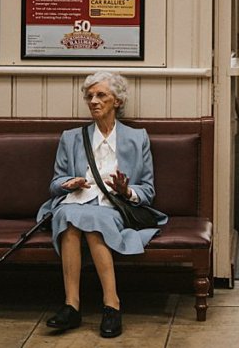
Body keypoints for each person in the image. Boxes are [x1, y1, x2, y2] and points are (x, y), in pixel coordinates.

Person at [36, 72, 166, 339]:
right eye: (90, 96)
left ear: (117, 100)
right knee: (69, 217)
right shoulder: (71, 138)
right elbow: (54, 184)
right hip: (75, 201)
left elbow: (148, 191)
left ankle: (112, 304)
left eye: (101, 95)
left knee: (94, 222)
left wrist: (125, 190)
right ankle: (72, 306)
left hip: (112, 206)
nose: (93, 101)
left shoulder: (137, 138)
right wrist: (69, 183)